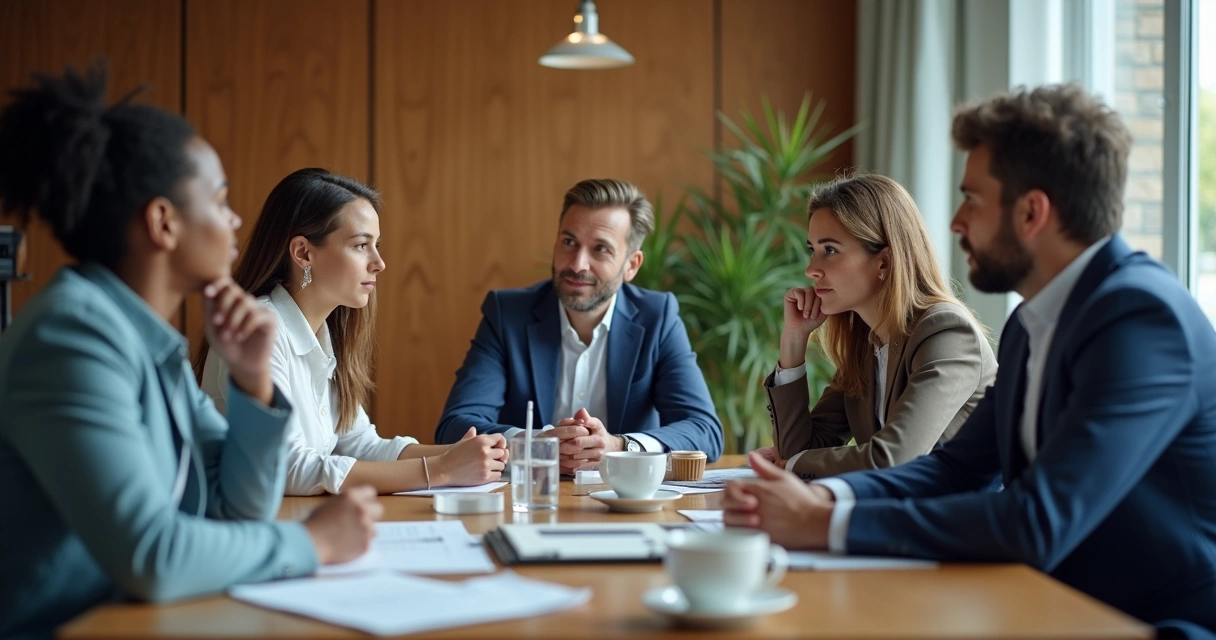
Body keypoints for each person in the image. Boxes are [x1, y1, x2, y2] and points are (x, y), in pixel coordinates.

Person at [723, 84, 1216, 633]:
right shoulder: (1032, 323)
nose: (956, 221)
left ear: (1032, 212)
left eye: (972, 199)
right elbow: (958, 468)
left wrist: (828, 521)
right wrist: (823, 496)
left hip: (1153, 620)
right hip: (1050, 600)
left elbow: (1038, 520)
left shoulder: (1140, 319)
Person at [0, 63, 380, 637]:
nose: (235, 221)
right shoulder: (71, 340)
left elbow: (238, 508)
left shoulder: (145, 340)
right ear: (163, 223)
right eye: (220, 200)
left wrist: (254, 383)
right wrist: (311, 541)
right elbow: (152, 556)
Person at [197, 168, 508, 495]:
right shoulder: (260, 329)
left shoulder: (324, 335)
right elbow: (286, 468)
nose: (379, 263)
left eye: (376, 245)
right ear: (304, 253)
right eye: (361, 245)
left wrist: (470, 454)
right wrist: (441, 470)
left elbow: (359, 444)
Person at [435, 178, 723, 470]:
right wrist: (537, 446)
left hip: (625, 503)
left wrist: (620, 446)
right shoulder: (508, 314)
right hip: (530, 499)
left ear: (631, 265)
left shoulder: (657, 318)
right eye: (569, 242)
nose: (577, 264)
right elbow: (455, 425)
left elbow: (705, 430)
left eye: (600, 249)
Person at [753, 174, 995, 480]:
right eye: (812, 250)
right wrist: (793, 340)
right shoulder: (866, 345)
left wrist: (793, 463)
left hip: (960, 522)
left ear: (884, 262)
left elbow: (894, 458)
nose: (811, 269)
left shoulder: (946, 332)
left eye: (829, 250)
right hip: (896, 515)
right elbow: (799, 448)